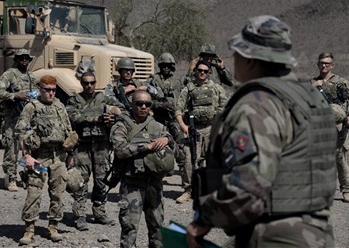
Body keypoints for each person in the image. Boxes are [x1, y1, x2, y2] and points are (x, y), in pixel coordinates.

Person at [187, 15, 338, 248]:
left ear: (250, 60)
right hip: (317, 234)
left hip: (273, 237)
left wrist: (204, 218)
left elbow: (249, 189)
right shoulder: (310, 97)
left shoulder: (258, 104)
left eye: (238, 52)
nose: (234, 58)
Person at [110, 90, 174, 248]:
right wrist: (147, 146)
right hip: (132, 184)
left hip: (154, 183)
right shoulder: (121, 125)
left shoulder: (157, 126)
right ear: (132, 104)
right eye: (139, 103)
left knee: (157, 227)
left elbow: (173, 144)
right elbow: (119, 150)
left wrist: (167, 139)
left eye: (147, 104)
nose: (143, 107)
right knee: (129, 228)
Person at [15, 75, 75, 245]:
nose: (50, 93)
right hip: (39, 157)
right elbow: (20, 132)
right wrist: (26, 156)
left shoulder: (60, 106)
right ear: (39, 89)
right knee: (34, 192)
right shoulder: (31, 107)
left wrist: (70, 155)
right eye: (47, 90)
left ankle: (53, 227)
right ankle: (29, 230)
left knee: (57, 193)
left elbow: (69, 131)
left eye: (53, 90)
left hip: (58, 157)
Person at [66, 72, 116, 231]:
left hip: (101, 146)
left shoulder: (105, 98)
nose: (89, 86)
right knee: (81, 181)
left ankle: (99, 212)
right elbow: (73, 116)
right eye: (86, 83)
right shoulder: (74, 100)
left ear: (96, 83)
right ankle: (80, 215)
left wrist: (111, 117)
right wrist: (96, 118)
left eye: (92, 83)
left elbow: (120, 110)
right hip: (82, 147)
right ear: (82, 83)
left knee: (101, 180)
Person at [174, 60, 228, 203]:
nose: (202, 73)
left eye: (205, 71)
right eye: (199, 70)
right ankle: (188, 191)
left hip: (212, 128)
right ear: (195, 72)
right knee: (188, 159)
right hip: (194, 129)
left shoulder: (216, 88)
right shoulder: (188, 89)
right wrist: (183, 126)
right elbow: (178, 109)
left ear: (208, 72)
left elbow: (225, 106)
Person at [312, 52, 349, 203]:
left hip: (339, 125)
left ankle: (347, 190)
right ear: (318, 64)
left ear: (332, 65)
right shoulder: (313, 82)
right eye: (321, 63)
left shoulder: (341, 82)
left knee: (340, 157)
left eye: (327, 63)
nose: (324, 65)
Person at [0, 49, 37, 192]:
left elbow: (36, 94)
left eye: (26, 58)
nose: (24, 60)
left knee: (29, 148)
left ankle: (27, 176)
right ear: (16, 59)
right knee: (12, 151)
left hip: (27, 120)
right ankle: (11, 178)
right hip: (12, 119)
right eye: (21, 58)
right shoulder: (9, 74)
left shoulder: (31, 76)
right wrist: (15, 95)